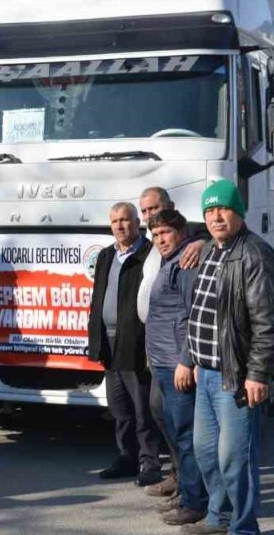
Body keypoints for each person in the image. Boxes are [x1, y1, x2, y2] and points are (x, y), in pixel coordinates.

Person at [184, 179, 274, 535]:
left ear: (239, 212)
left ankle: (243, 528)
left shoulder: (255, 255)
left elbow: (270, 324)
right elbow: (199, 310)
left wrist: (258, 374)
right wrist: (193, 359)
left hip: (237, 377)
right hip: (207, 374)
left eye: (223, 209)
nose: (215, 217)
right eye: (209, 211)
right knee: (206, 453)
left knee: (235, 460)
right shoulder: (213, 251)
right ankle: (219, 518)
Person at [88, 202, 166, 486]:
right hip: (109, 344)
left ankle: (150, 464)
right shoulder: (107, 255)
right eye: (114, 221)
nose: (119, 226)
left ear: (136, 223)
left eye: (125, 220)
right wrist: (94, 338)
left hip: (135, 342)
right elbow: (98, 298)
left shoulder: (148, 254)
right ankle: (126, 457)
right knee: (119, 408)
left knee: (142, 408)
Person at [143, 210, 212, 527]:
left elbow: (192, 317)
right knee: (176, 433)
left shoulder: (186, 262)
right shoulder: (169, 260)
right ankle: (187, 493)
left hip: (177, 366)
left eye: (166, 233)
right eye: (156, 236)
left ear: (182, 232)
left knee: (186, 437)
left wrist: (187, 361)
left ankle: (195, 502)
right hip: (163, 363)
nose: (160, 240)